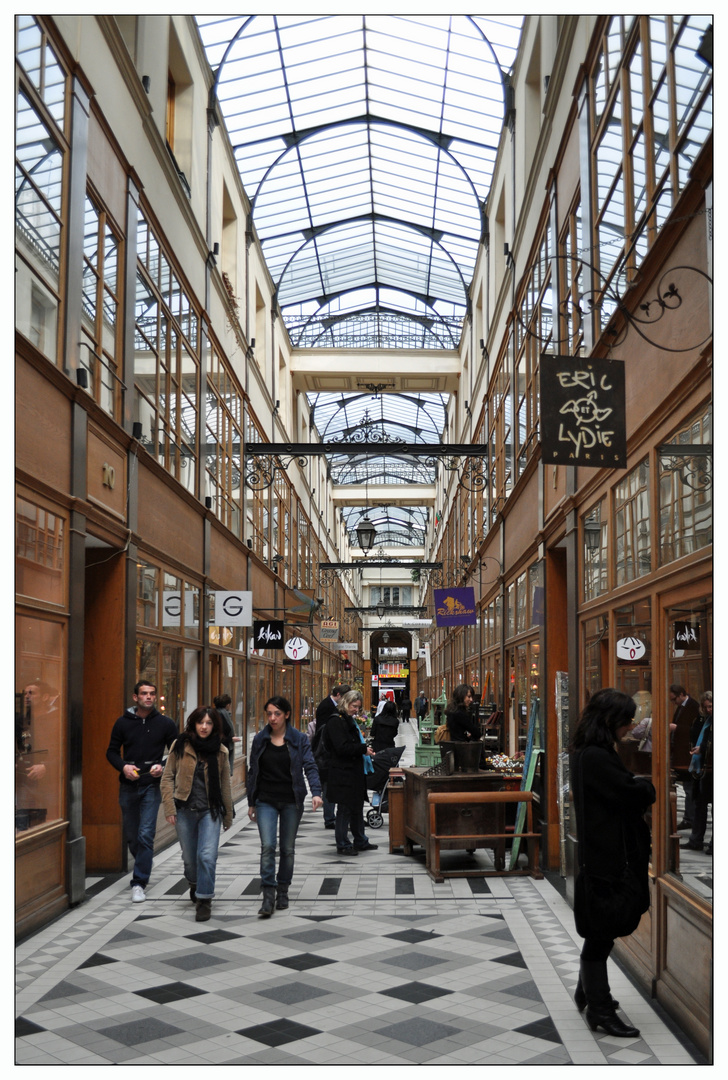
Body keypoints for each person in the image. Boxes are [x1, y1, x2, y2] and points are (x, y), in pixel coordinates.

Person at [571, 688, 656, 1038]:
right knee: (601, 934)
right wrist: (646, 788)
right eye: (626, 719)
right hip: (607, 858)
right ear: (610, 721)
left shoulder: (588, 752)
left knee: (600, 931)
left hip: (601, 853)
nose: (631, 725)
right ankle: (600, 1010)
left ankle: (587, 993)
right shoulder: (596, 756)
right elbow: (630, 792)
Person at [247, 696, 323, 917]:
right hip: (265, 800)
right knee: (268, 846)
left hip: (291, 800)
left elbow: (310, 765)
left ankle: (283, 889)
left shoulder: (298, 739)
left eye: (277, 714)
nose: (272, 718)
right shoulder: (260, 739)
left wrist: (316, 793)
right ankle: (268, 893)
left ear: (287, 715)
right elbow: (253, 771)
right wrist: (251, 801)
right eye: (269, 713)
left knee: (287, 849)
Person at [106, 681, 178, 903]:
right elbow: (111, 752)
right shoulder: (122, 723)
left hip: (151, 785)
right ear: (135, 697)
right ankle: (144, 860)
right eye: (144, 694)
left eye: (152, 694)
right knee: (132, 835)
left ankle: (139, 882)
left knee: (146, 833)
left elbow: (178, 751)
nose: (149, 697)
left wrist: (163, 766)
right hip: (128, 784)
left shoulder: (165, 723)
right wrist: (123, 767)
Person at [161, 706, 233, 921]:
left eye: (209, 723)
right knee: (190, 859)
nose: (204, 727)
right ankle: (194, 882)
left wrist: (228, 815)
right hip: (184, 810)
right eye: (200, 722)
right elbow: (167, 778)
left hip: (210, 811)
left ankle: (204, 899)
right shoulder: (180, 745)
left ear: (215, 726)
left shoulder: (221, 751)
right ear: (193, 724)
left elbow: (225, 785)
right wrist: (169, 808)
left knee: (207, 856)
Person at [324, 690, 378, 856]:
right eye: (354, 706)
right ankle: (343, 844)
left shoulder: (348, 720)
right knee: (344, 809)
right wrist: (363, 749)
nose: (356, 710)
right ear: (345, 703)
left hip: (353, 772)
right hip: (343, 774)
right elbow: (341, 748)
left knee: (356, 807)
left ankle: (360, 840)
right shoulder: (336, 722)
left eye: (358, 707)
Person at [312, 684, 351, 829]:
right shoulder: (327, 706)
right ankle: (329, 819)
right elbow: (325, 731)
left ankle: (333, 817)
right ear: (339, 695)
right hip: (325, 754)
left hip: (328, 752)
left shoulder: (332, 705)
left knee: (330, 786)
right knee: (328, 787)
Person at [682, 691, 713, 854]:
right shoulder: (706, 720)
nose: (709, 710)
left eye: (711, 706)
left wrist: (704, 749)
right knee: (700, 806)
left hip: (713, 769)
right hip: (703, 769)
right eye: (706, 706)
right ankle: (696, 840)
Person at [669, 684, 701, 829]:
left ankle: (690, 818)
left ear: (681, 694)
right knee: (687, 787)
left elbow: (695, 730)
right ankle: (689, 817)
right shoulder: (681, 706)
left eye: (674, 699)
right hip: (680, 753)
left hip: (688, 753)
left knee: (689, 787)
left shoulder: (693, 706)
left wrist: (677, 728)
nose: (674, 702)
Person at [213, 694, 237, 776]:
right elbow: (219, 735)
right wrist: (231, 739)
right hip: (220, 749)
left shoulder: (215, 713)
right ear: (228, 705)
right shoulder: (221, 716)